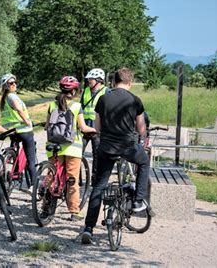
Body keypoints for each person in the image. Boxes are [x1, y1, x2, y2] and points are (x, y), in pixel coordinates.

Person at [81, 68, 151, 244]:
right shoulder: (135, 100)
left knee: (99, 186)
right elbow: (141, 128)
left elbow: (97, 127)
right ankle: (138, 200)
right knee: (143, 163)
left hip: (106, 147)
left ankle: (88, 228)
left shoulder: (103, 99)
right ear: (130, 82)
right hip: (128, 147)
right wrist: (142, 139)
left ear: (113, 81)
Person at [45, 76, 96, 221]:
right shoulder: (76, 106)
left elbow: (47, 126)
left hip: (54, 146)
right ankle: (74, 211)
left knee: (51, 176)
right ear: (74, 91)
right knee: (72, 178)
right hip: (72, 147)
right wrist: (95, 130)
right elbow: (83, 127)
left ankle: (46, 207)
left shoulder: (52, 105)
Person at [0, 73, 37, 190]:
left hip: (12, 131)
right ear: (6, 86)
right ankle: (33, 186)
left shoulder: (4, 99)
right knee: (31, 159)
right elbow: (19, 109)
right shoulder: (12, 97)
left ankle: (14, 174)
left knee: (15, 150)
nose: (14, 84)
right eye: (11, 83)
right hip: (24, 130)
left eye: (15, 82)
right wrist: (27, 121)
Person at [80, 68, 109, 186]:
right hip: (85, 127)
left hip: (98, 129)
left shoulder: (106, 91)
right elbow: (81, 107)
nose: (89, 81)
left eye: (91, 79)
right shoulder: (86, 90)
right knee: (77, 153)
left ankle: (95, 180)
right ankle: (77, 179)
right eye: (88, 79)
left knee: (97, 155)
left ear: (98, 80)